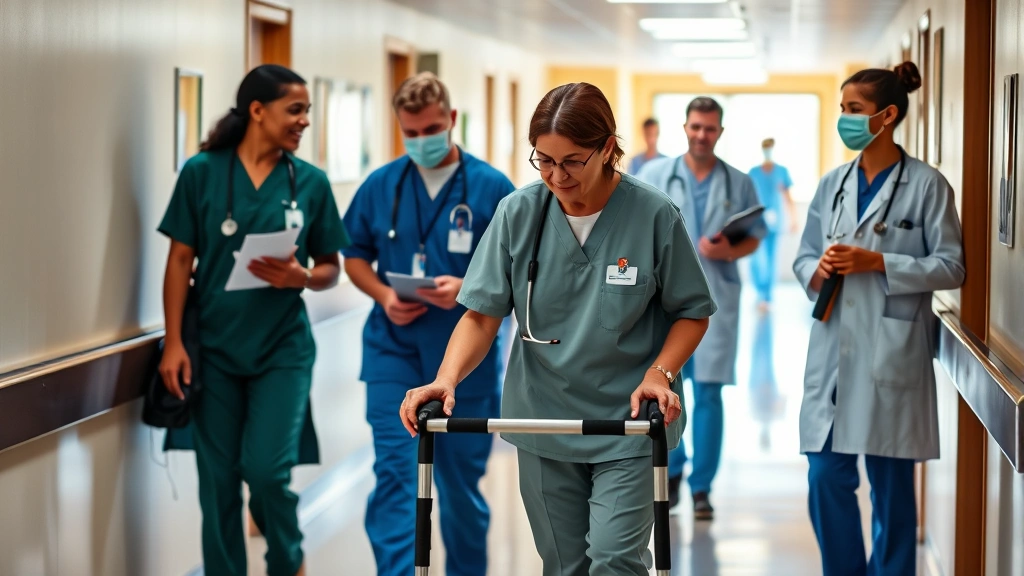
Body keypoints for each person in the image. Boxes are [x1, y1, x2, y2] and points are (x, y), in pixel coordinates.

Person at [400, 82, 717, 576]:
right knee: (564, 565)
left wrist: (660, 373)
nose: (556, 175)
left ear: (608, 148)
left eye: (571, 161)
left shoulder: (654, 215)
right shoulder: (518, 213)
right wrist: (446, 379)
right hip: (544, 420)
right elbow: (482, 315)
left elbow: (692, 310)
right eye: (543, 160)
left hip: (629, 422)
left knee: (614, 559)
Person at [158, 64, 350, 576]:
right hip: (214, 353)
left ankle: (287, 560)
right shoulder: (202, 172)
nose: (305, 121)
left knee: (266, 473)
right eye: (296, 110)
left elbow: (332, 267)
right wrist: (173, 342)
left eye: (308, 110)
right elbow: (180, 261)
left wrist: (303, 278)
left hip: (281, 352)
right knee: (218, 482)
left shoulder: (308, 182)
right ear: (258, 112)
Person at [793, 62, 964, 576]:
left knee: (892, 493)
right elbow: (802, 257)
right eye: (842, 109)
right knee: (825, 477)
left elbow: (952, 266)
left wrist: (879, 262)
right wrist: (818, 268)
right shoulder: (833, 185)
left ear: (886, 116)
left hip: (893, 353)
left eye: (853, 110)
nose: (843, 120)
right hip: (834, 353)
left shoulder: (928, 186)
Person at [341, 72, 513, 576]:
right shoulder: (382, 184)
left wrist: (464, 286)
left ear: (453, 120)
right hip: (392, 349)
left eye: (432, 128)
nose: (421, 140)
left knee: (459, 487)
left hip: (465, 362)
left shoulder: (491, 188)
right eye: (410, 132)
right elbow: (353, 254)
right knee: (395, 474)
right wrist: (384, 295)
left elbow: (515, 271)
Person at [635, 96, 765, 520]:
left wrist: (730, 250)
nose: (701, 135)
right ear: (685, 127)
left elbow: (755, 235)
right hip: (662, 302)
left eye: (709, 128)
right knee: (666, 387)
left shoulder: (739, 181)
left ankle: (703, 486)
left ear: (720, 132)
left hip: (716, 298)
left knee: (708, 392)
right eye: (695, 127)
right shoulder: (654, 174)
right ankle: (672, 468)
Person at [747, 137, 798, 311]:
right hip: (757, 220)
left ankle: (766, 297)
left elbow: (788, 197)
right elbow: (747, 198)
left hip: (776, 221)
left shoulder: (781, 171)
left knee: (770, 259)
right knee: (756, 259)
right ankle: (759, 293)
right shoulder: (753, 172)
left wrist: (794, 219)